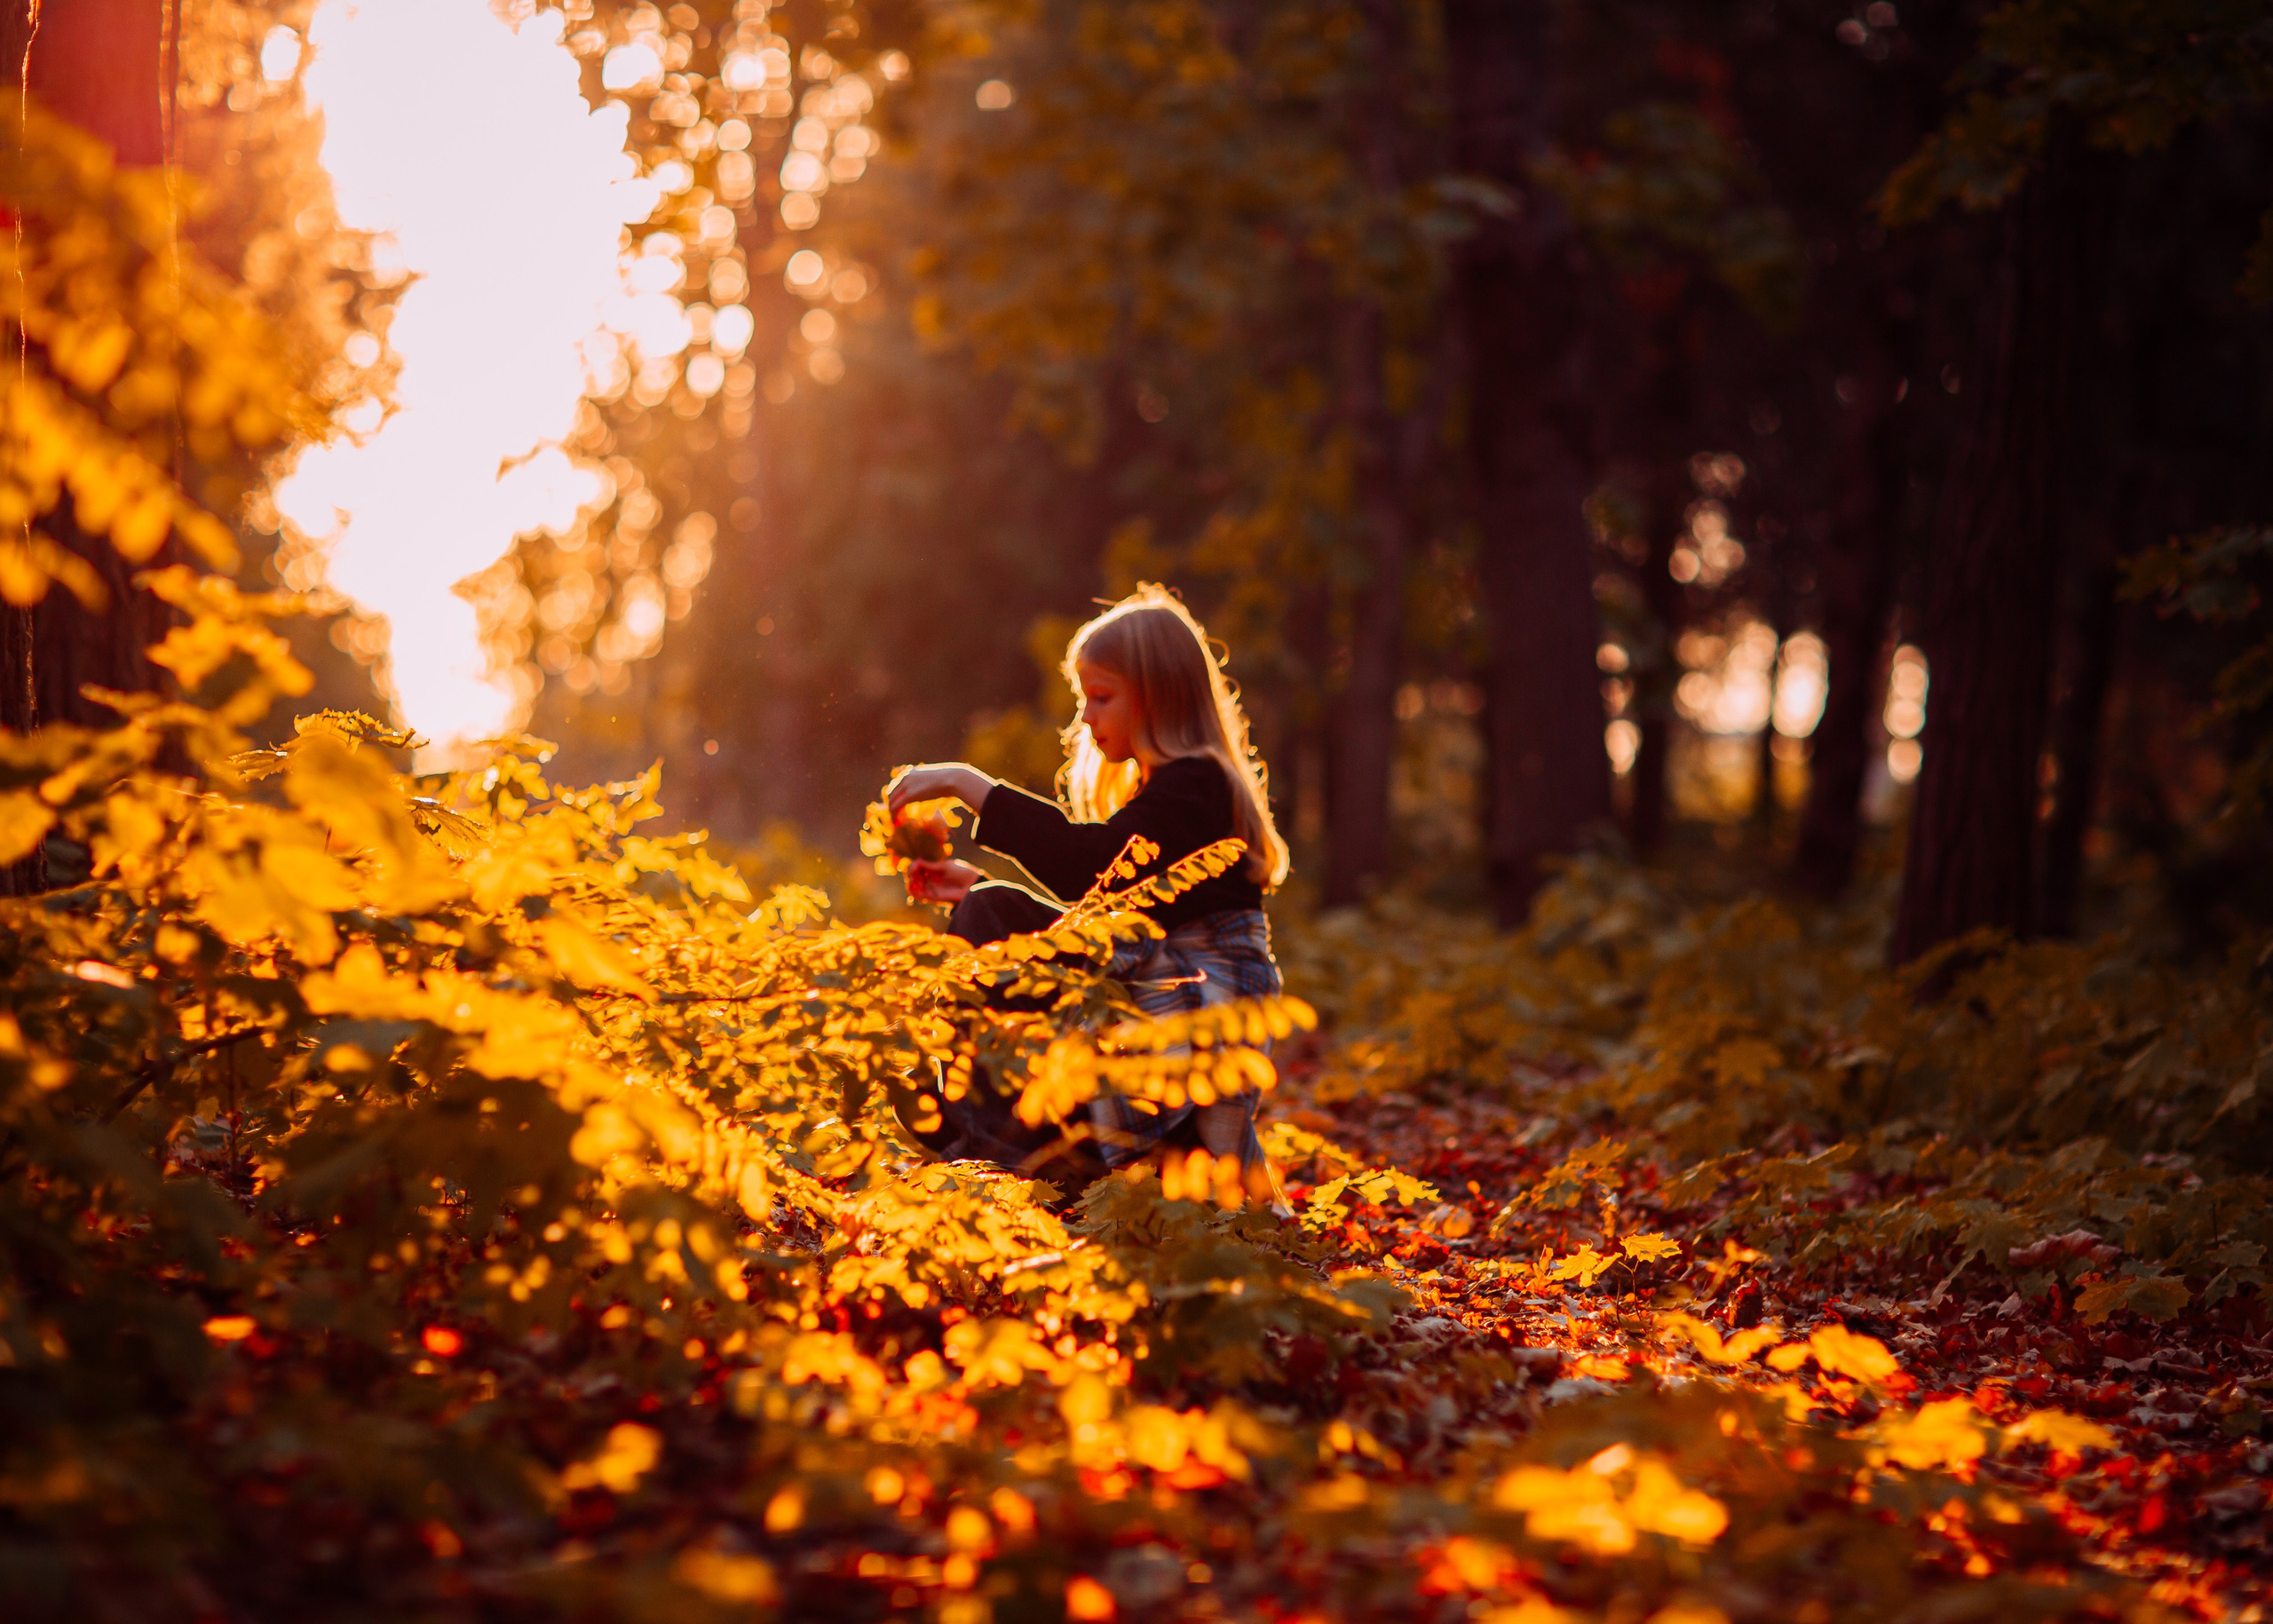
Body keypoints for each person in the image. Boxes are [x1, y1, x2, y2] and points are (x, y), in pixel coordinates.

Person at [884, 583, 1291, 1197]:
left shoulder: (1195, 786)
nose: (1086, 719)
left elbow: (1092, 868)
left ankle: (991, 1143)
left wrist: (970, 785)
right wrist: (980, 887)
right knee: (991, 908)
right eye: (1083, 700)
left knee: (994, 916)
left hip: (1189, 1021)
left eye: (1101, 698)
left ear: (1158, 698)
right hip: (1161, 1001)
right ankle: (992, 1130)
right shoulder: (1180, 789)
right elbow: (1110, 911)